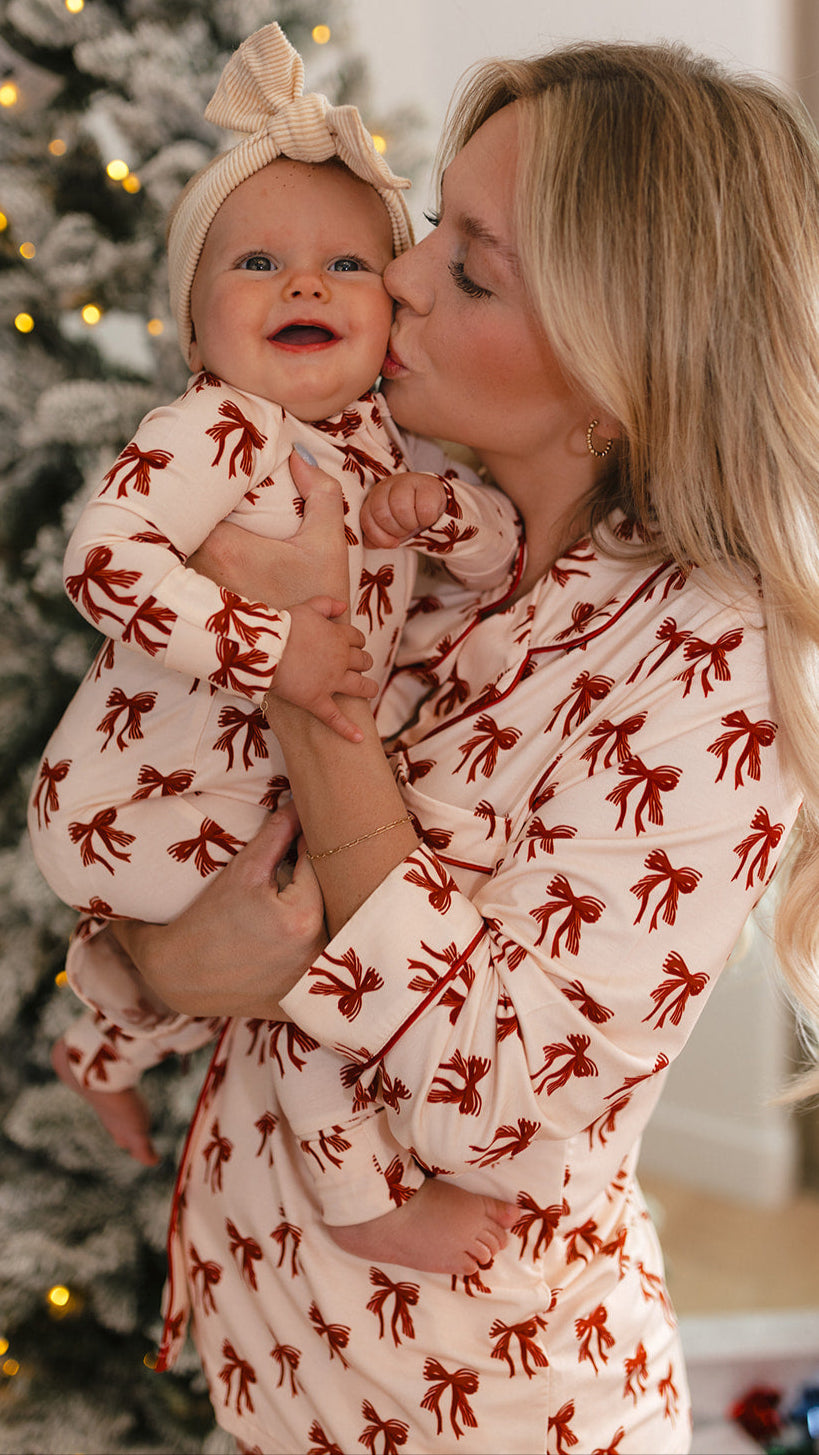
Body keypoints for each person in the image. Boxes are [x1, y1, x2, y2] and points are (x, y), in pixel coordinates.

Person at [54, 36, 819, 1455]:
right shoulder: (415, 506)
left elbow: (494, 1099)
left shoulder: (711, 668)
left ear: (616, 366)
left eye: (468, 268)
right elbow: (234, 891)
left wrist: (298, 660)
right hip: (275, 1368)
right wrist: (151, 966)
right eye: (431, 226)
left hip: (477, 1408)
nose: (392, 273)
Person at [28, 23, 520, 1271]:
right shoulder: (212, 429)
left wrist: (440, 514)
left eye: (347, 262)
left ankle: (97, 1043)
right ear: (196, 335)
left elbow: (496, 558)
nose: (305, 287)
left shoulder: (388, 444)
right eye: (258, 262)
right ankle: (370, 1207)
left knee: (268, 946)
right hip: (136, 801)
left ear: (390, 305)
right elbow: (103, 560)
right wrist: (272, 648)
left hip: (235, 795)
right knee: (321, 975)